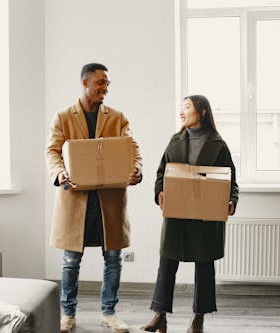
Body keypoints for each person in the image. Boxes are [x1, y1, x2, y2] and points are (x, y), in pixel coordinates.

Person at [45, 63, 143, 333]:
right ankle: (68, 314)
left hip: (109, 200)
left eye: (107, 84)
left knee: (113, 258)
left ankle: (109, 313)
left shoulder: (117, 117)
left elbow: (132, 148)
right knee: (70, 261)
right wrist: (61, 173)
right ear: (85, 83)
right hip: (75, 200)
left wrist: (137, 170)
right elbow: (52, 151)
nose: (105, 88)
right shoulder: (63, 117)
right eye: (101, 83)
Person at [141, 95, 239, 333]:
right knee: (166, 264)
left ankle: (199, 319)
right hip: (177, 215)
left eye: (186, 107)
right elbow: (160, 174)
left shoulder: (219, 144)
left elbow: (231, 181)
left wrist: (231, 201)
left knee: (204, 268)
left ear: (202, 111)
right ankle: (160, 315)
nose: (182, 112)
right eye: (181, 108)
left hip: (205, 217)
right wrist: (159, 194)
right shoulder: (175, 141)